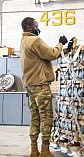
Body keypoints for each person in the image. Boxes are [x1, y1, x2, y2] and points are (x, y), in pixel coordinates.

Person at [20, 17, 68, 157]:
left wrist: (62, 49)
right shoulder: (34, 40)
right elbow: (51, 54)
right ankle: (45, 151)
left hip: (30, 85)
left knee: (35, 118)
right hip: (40, 85)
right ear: (29, 27)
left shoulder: (23, 41)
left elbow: (43, 56)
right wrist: (61, 44)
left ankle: (34, 150)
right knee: (46, 117)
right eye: (36, 26)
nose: (37, 28)